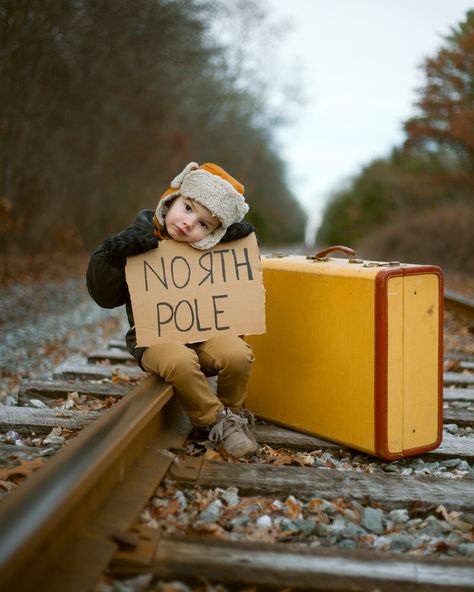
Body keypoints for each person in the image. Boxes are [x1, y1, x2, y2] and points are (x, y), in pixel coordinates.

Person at [86, 162, 258, 458]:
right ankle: (213, 422)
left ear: (215, 232)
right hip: (156, 336)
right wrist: (112, 257)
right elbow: (105, 296)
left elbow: (236, 280)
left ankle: (233, 415)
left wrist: (235, 244)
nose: (189, 223)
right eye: (188, 208)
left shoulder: (212, 247)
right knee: (179, 360)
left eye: (205, 224)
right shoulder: (139, 237)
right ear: (172, 198)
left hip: (206, 332)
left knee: (237, 353)